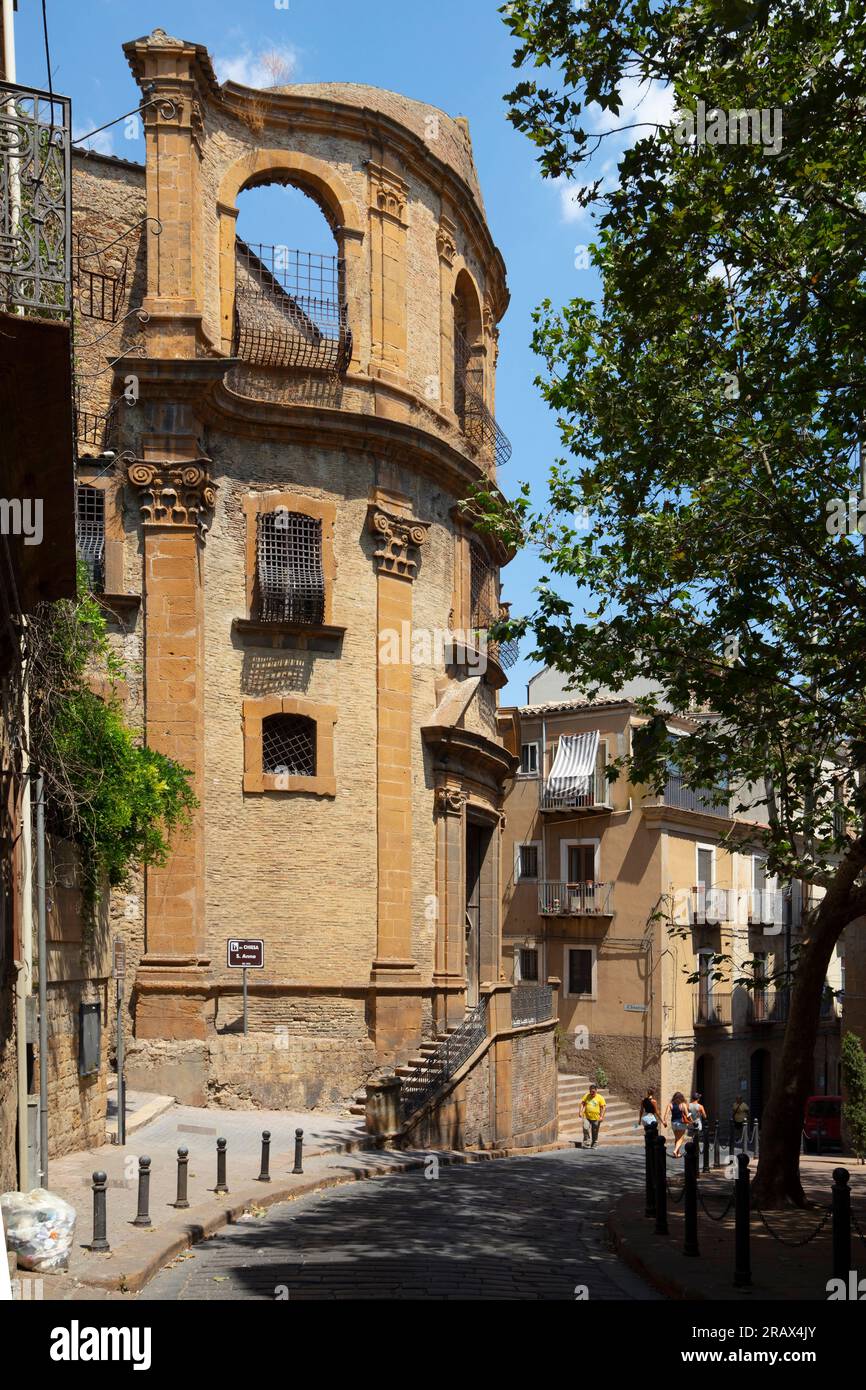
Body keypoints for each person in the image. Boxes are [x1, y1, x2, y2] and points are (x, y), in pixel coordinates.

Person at [579, 1083, 606, 1148]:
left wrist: (601, 1116)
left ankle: (594, 1142)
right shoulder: (587, 1096)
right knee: (585, 1128)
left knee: (595, 1131)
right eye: (590, 1091)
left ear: (596, 1091)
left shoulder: (600, 1097)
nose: (592, 1093)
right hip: (587, 1116)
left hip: (596, 1118)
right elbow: (582, 1103)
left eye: (593, 1091)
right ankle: (587, 1142)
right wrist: (580, 1111)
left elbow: (603, 1108)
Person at [663, 1091, 689, 1157]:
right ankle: (675, 1150)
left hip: (673, 1123)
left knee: (677, 1138)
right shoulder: (683, 1104)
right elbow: (687, 1114)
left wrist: (664, 1121)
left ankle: (677, 1153)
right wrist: (691, 1120)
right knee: (681, 1138)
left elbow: (666, 1114)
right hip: (681, 1123)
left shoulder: (670, 1104)